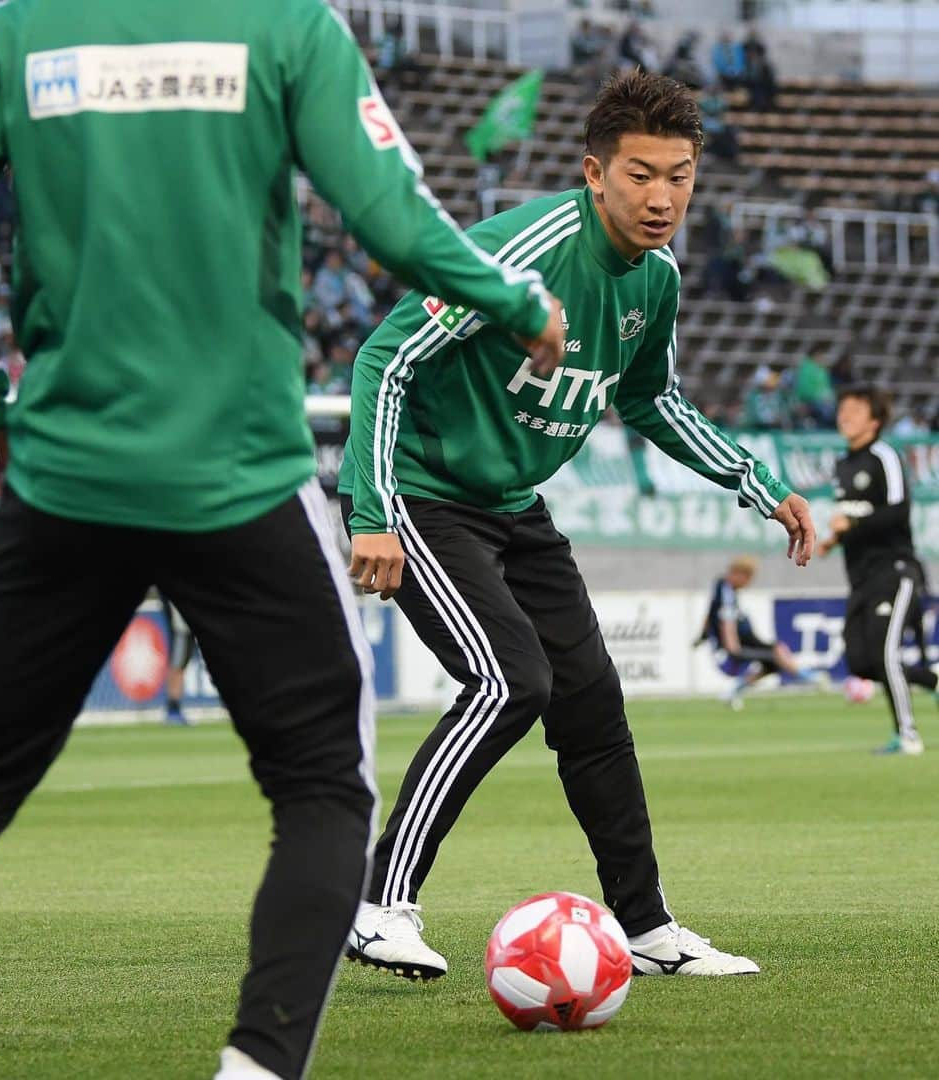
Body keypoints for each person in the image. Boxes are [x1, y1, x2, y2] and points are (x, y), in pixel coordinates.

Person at [0, 2, 567, 1078]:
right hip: (237, 479)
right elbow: (390, 217)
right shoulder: (287, 27)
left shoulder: (18, 32)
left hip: (63, 477)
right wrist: (512, 297)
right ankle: (255, 1064)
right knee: (325, 789)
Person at [338, 71, 816, 984]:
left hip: (514, 508)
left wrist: (757, 482)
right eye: (640, 174)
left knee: (591, 700)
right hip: (422, 494)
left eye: (679, 175)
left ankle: (646, 926)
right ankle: (376, 904)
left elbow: (651, 400)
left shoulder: (659, 278)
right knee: (508, 680)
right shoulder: (520, 255)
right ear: (594, 173)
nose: (662, 196)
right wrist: (371, 513)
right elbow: (384, 361)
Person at [818, 386, 937, 755]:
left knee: (886, 652)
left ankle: (909, 736)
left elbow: (897, 512)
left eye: (854, 410)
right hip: (860, 576)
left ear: (874, 419)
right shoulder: (842, 464)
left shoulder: (885, 456)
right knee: (860, 660)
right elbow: (852, 518)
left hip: (895, 568)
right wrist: (832, 540)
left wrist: (848, 527)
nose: (845, 416)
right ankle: (932, 680)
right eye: (842, 408)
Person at [700, 555, 823, 710]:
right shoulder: (726, 592)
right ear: (739, 574)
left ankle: (734, 691)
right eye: (748, 578)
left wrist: (701, 636)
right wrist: (732, 648)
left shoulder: (723, 588)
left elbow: (709, 615)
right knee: (775, 658)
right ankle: (811, 678)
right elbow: (727, 622)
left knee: (776, 654)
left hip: (744, 641)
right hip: (731, 648)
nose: (749, 583)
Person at [159, 592, 196, 726]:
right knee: (178, 661)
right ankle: (173, 708)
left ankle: (173, 708)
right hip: (181, 623)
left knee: (180, 662)